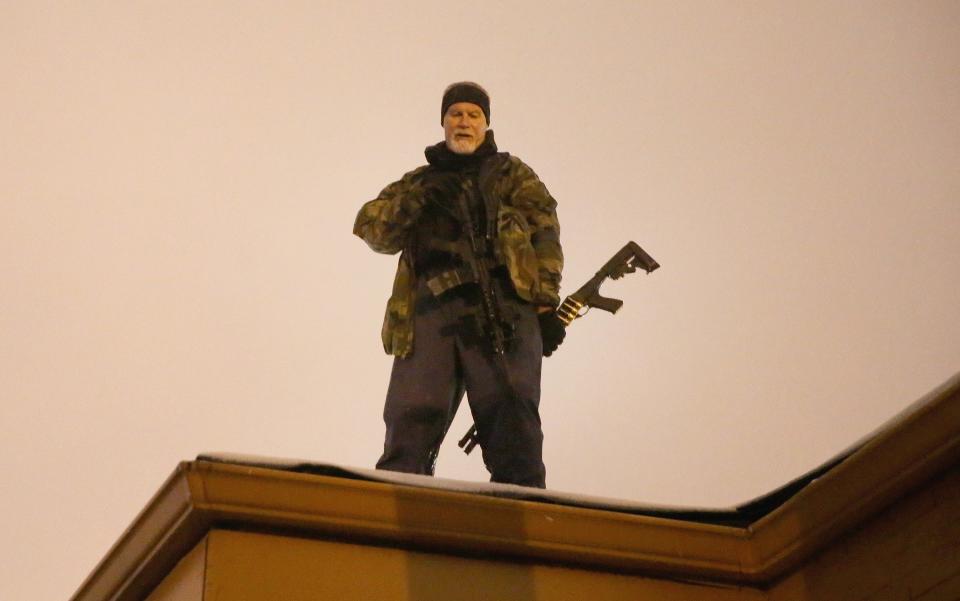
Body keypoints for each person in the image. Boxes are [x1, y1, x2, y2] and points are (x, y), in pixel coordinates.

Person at [353, 82, 565, 488]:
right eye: (456, 114)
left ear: (486, 124)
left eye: (473, 115)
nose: (463, 122)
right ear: (443, 122)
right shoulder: (418, 182)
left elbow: (544, 235)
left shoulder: (511, 175)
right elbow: (372, 228)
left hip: (503, 306)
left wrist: (544, 306)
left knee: (511, 409)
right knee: (414, 408)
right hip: (432, 311)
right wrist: (421, 198)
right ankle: (399, 499)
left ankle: (525, 511)